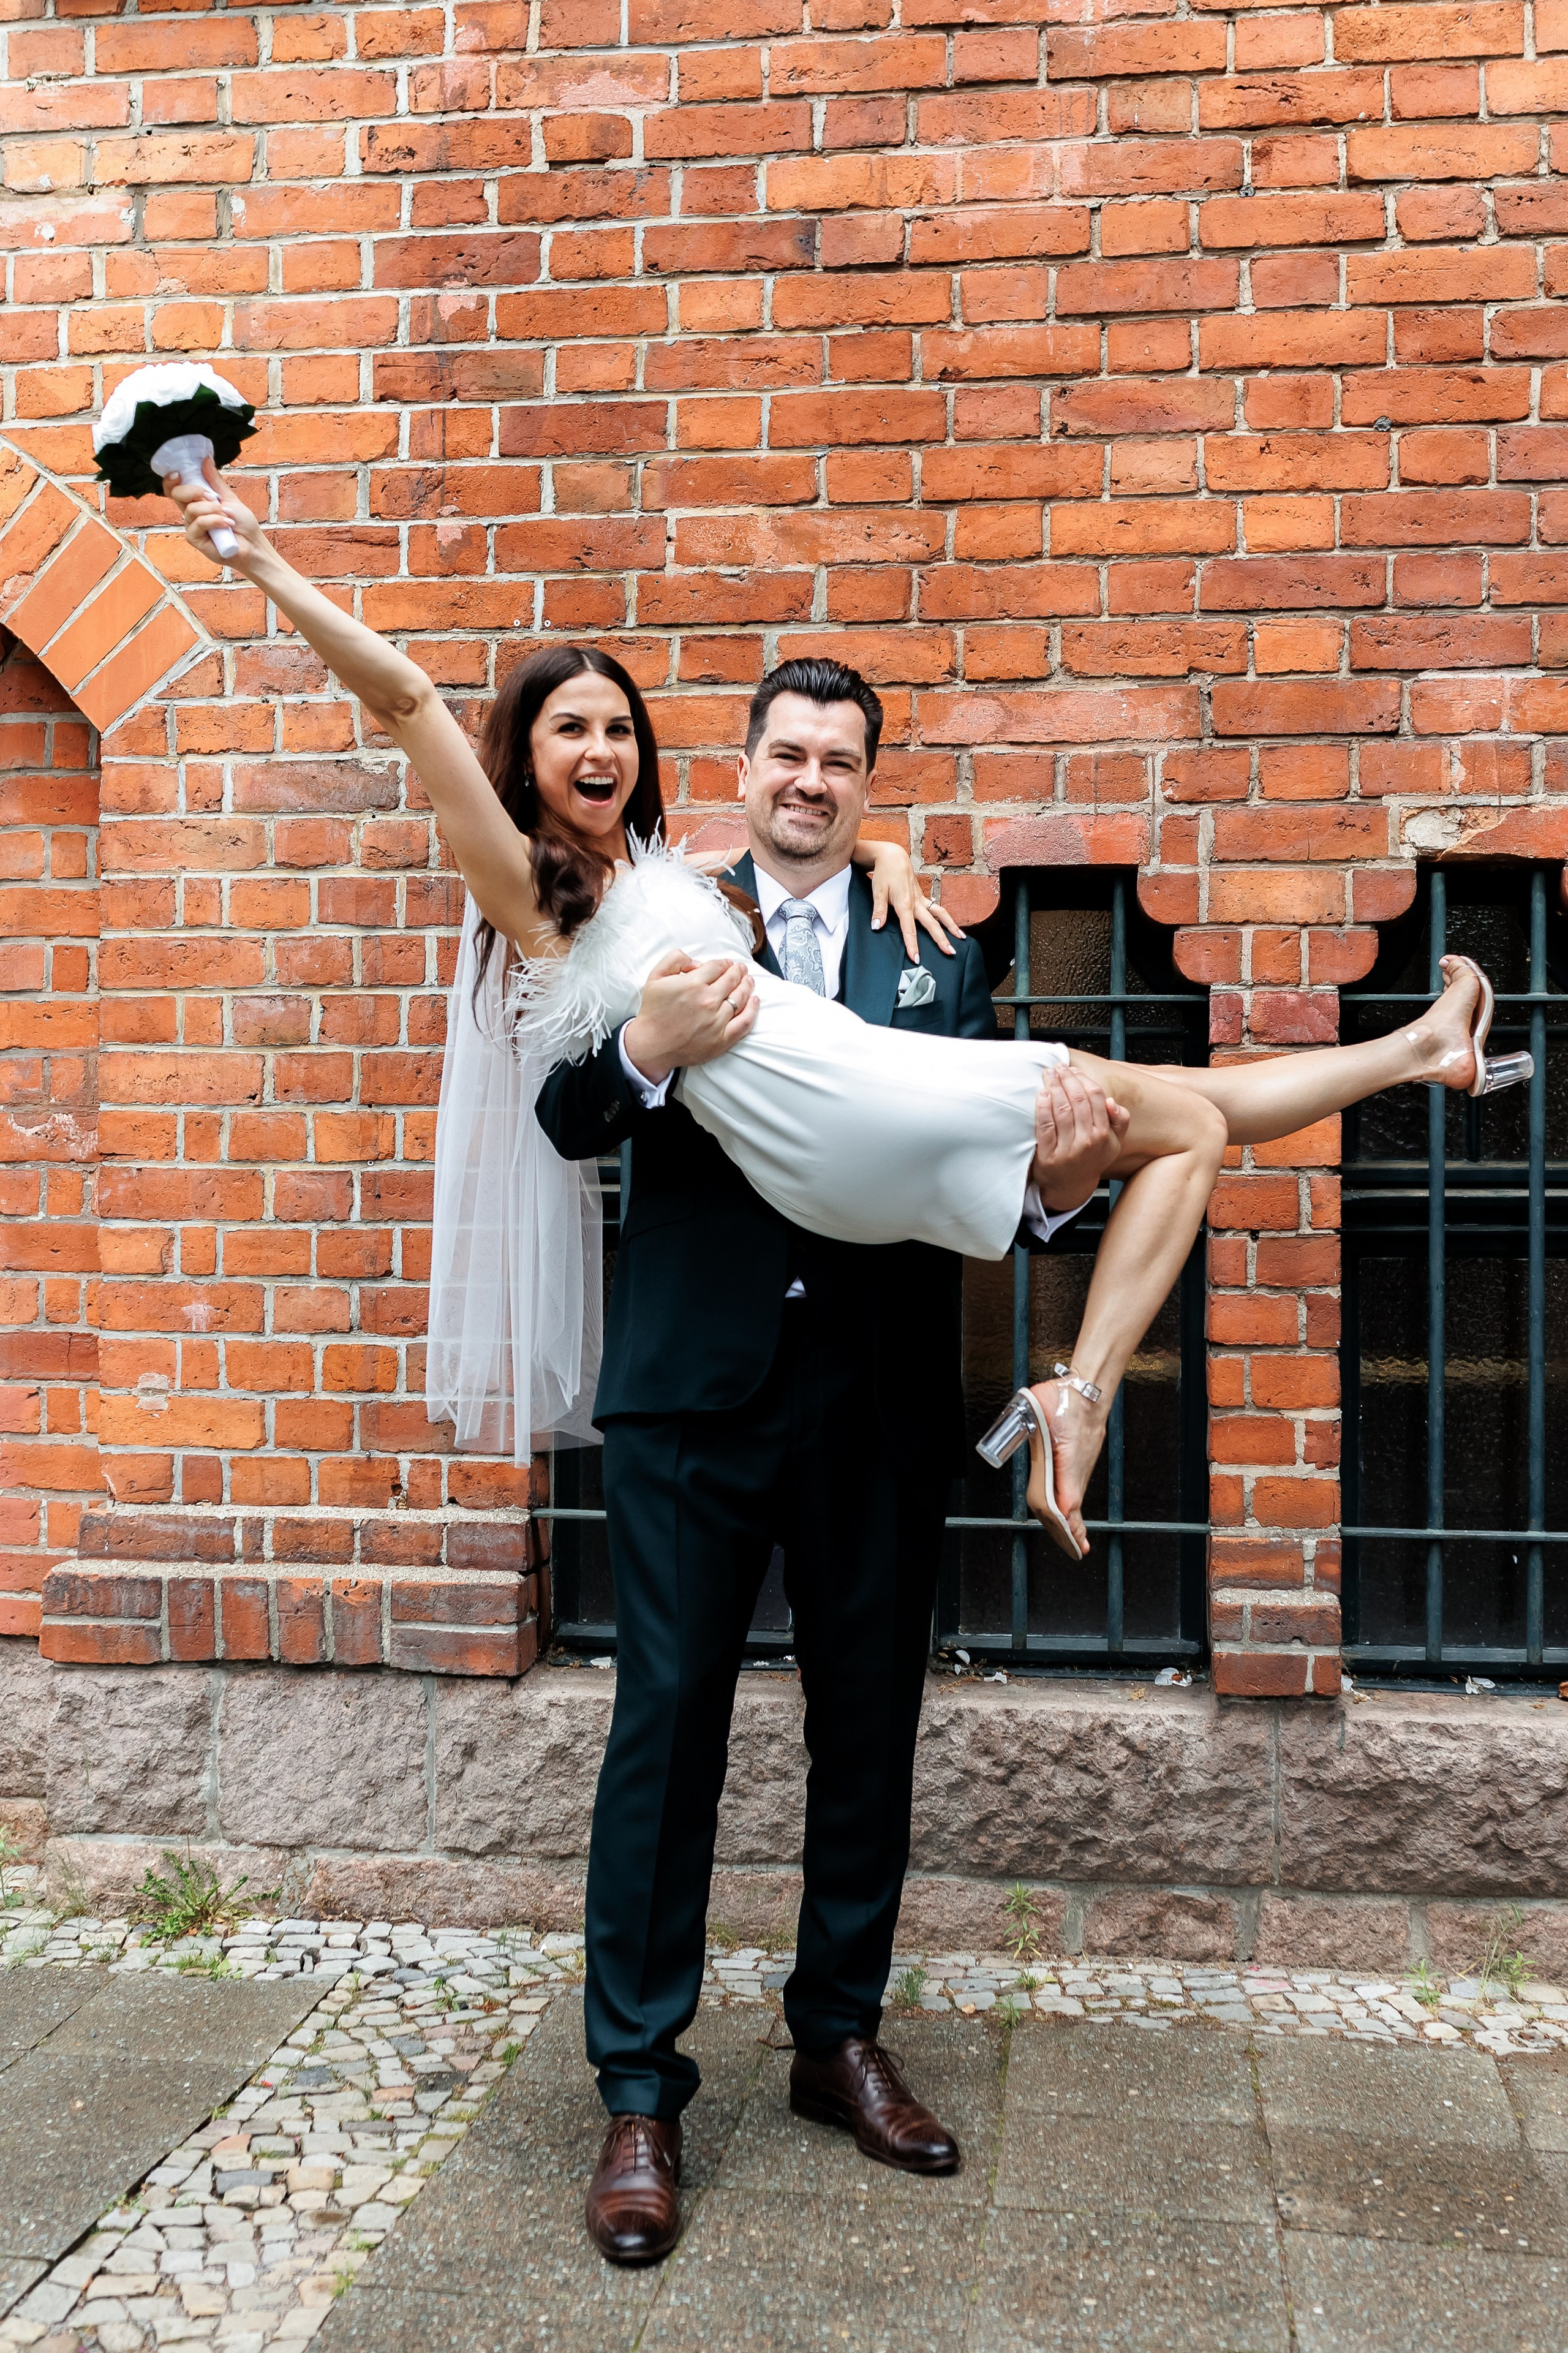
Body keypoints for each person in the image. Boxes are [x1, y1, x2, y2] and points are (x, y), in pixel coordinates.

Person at [167, 463, 1526, 2257]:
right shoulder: (591, 914)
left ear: (855, 786)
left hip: (874, 1392)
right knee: (668, 1733)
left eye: (841, 767)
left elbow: (972, 1192)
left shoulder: (918, 941)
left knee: (887, 1691)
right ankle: (639, 2094)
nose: (807, 783)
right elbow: (562, 1078)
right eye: (780, 755)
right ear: (733, 767)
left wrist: (1042, 1172)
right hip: (690, 1405)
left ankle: (841, 2032)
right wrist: (646, 1041)